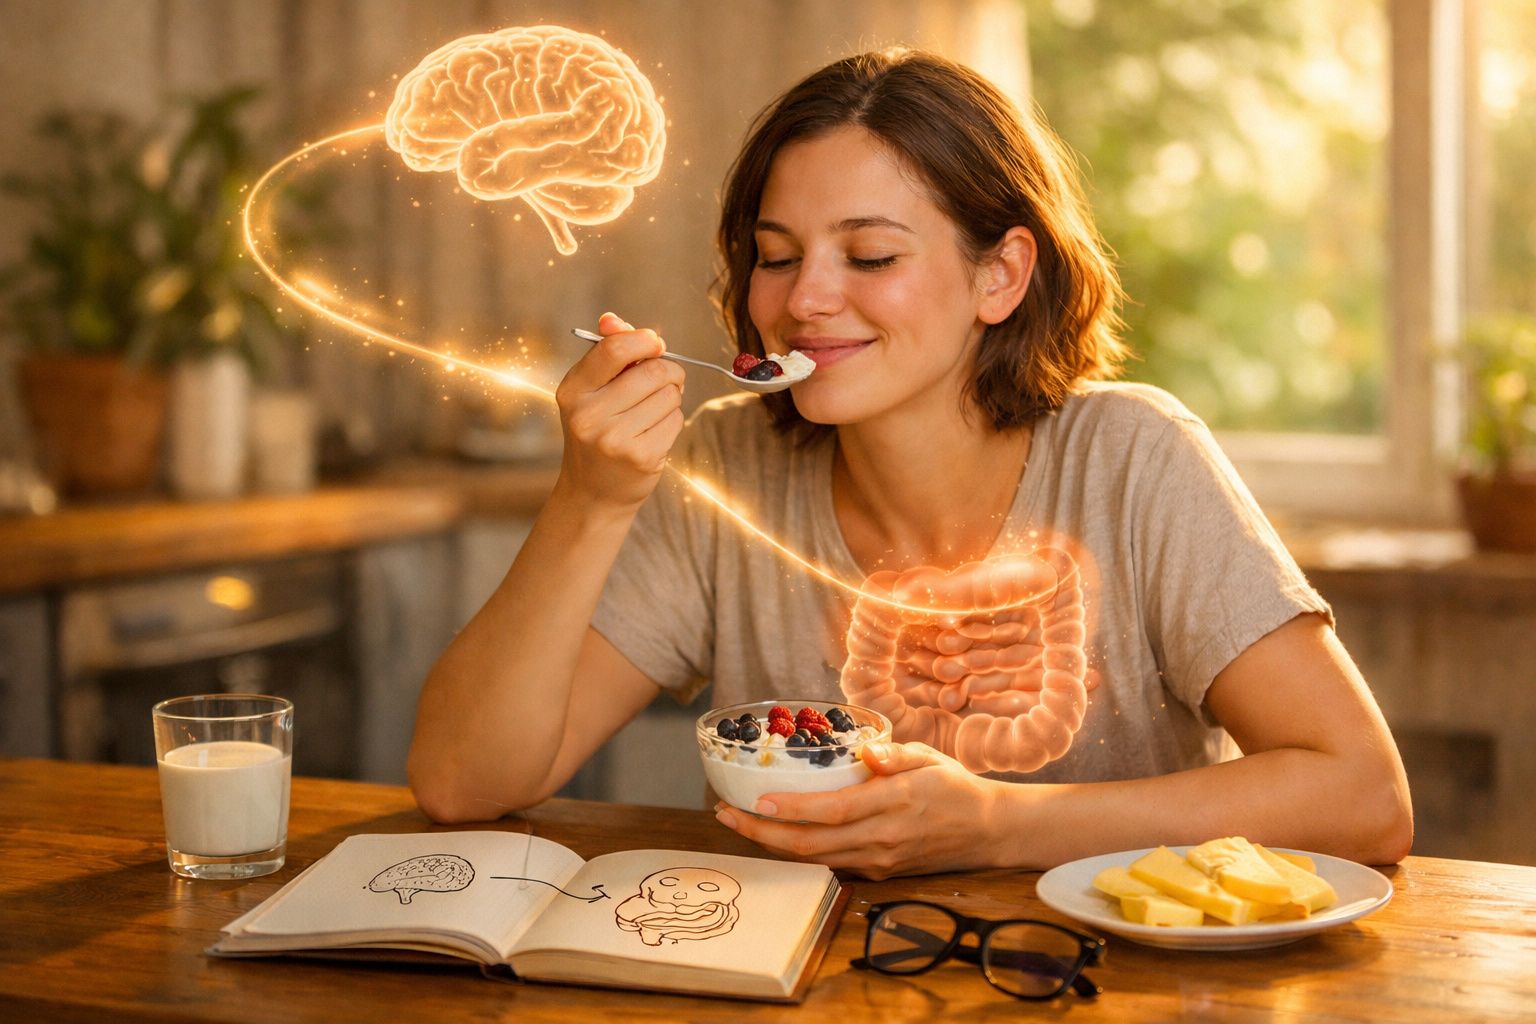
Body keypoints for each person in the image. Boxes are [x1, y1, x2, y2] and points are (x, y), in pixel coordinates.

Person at [408, 47, 1413, 878]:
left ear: (1001, 274)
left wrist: (999, 827)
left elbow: (1363, 797)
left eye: (870, 257)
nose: (805, 299)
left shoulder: (1134, 458)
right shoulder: (723, 462)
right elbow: (463, 779)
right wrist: (589, 500)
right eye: (776, 252)